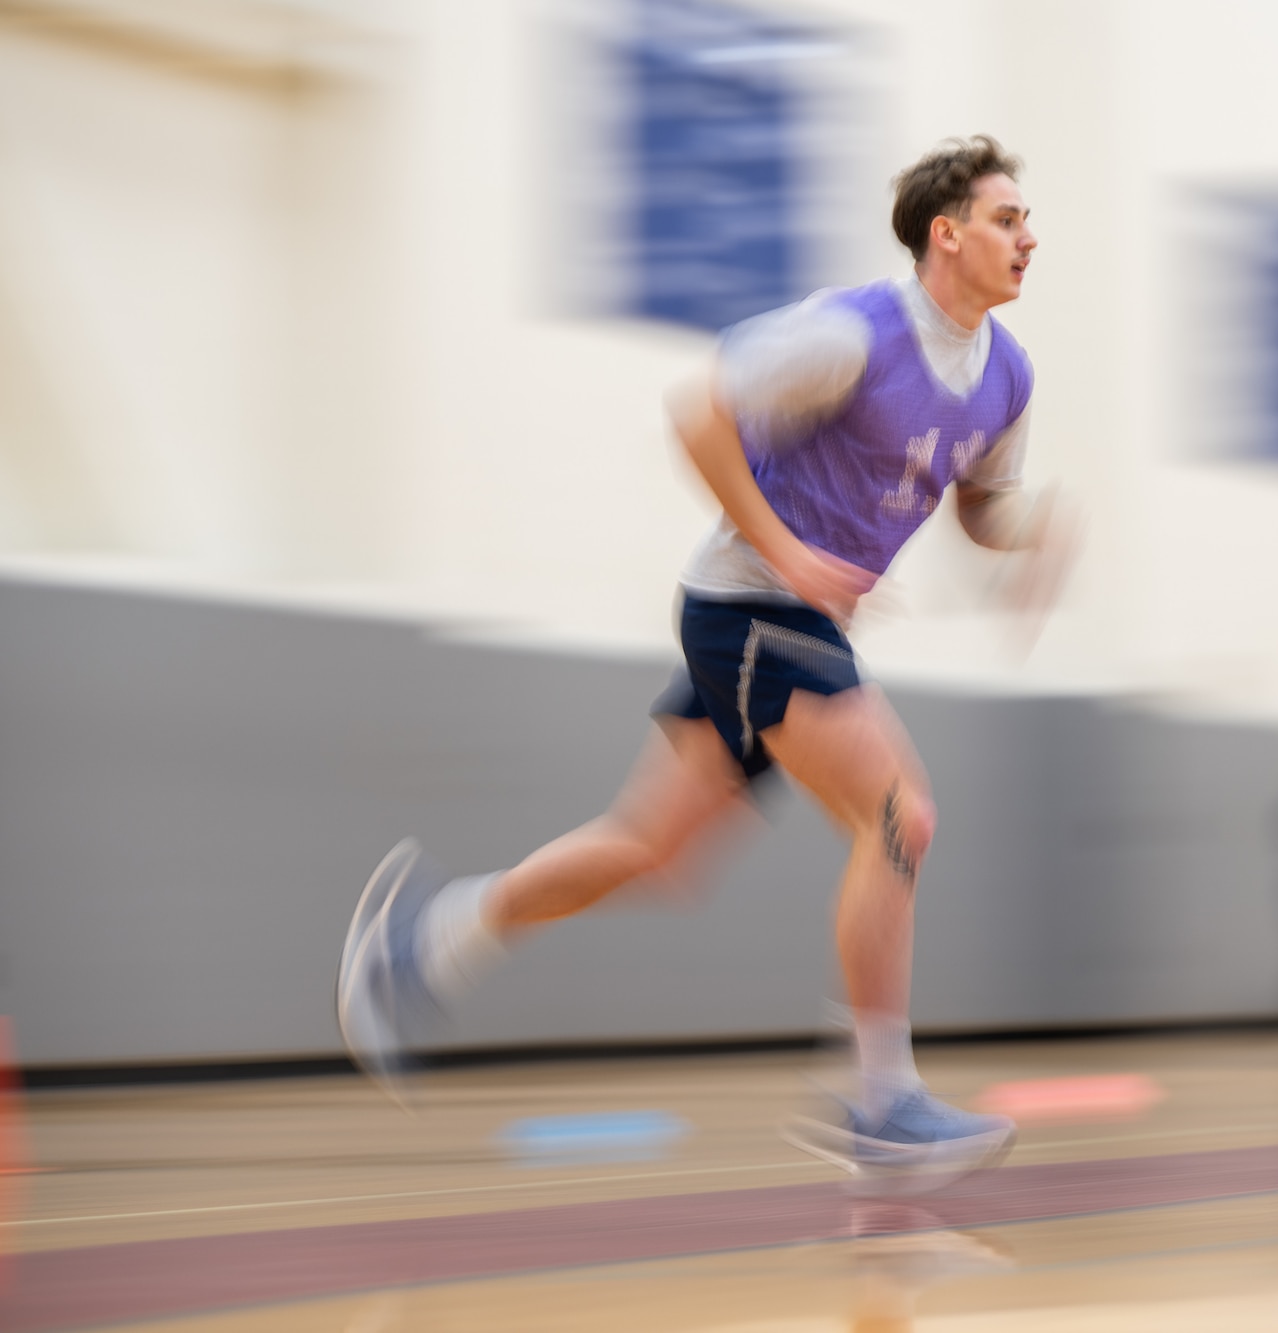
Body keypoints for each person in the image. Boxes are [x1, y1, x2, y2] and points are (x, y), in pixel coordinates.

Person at [337, 135, 1066, 1188]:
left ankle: (423, 941)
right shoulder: (852, 333)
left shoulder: (1007, 375)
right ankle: (878, 1098)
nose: (1028, 236)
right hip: (751, 603)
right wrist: (788, 552)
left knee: (652, 851)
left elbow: (980, 507)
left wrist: (1034, 530)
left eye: (1027, 219)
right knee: (900, 814)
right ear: (944, 235)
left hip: (789, 623)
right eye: (1007, 218)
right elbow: (697, 410)